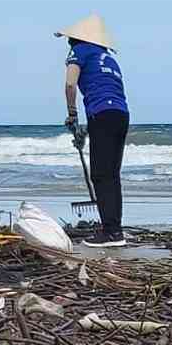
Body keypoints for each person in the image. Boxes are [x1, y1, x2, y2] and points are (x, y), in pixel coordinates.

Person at [57, 14, 130, 248]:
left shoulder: (79, 52)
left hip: (102, 114)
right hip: (121, 114)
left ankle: (111, 233)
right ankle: (114, 228)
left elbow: (70, 83)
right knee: (111, 174)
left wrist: (72, 113)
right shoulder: (108, 58)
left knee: (100, 174)